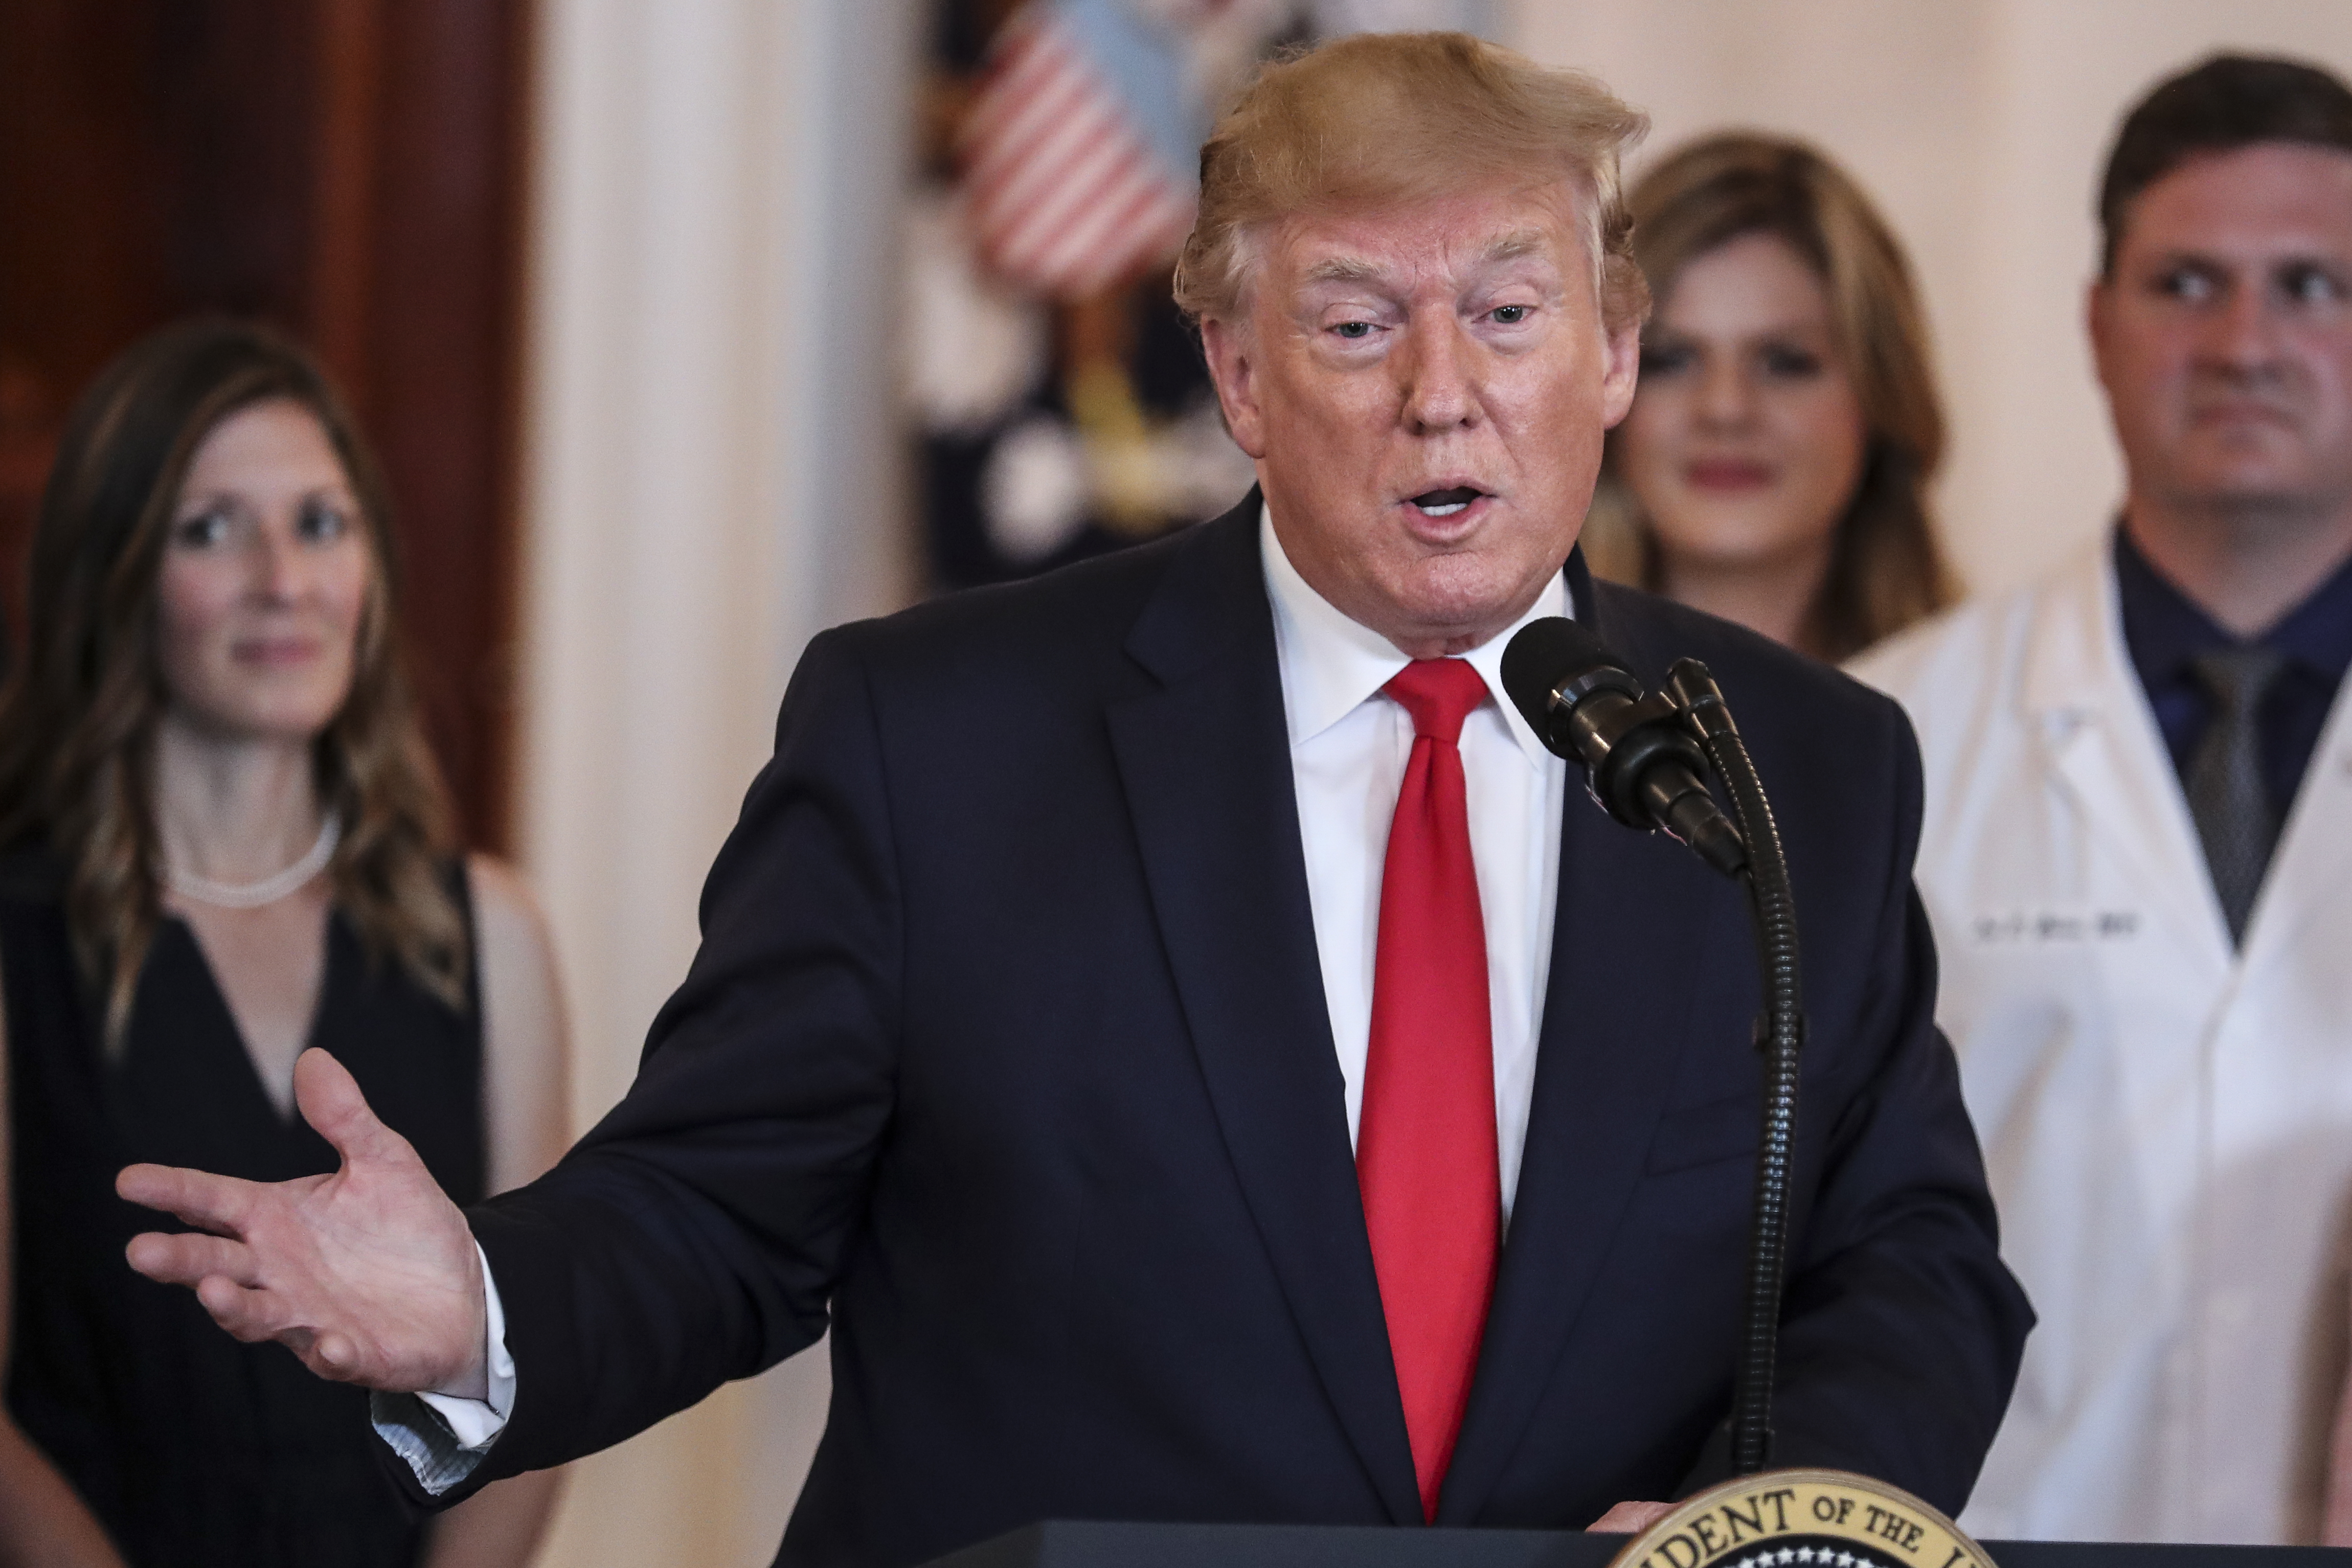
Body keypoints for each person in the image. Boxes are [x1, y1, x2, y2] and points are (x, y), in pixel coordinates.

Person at [120, 36, 2029, 1568]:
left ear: (1609, 350)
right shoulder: (934, 732)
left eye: (1511, 313)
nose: (1444, 392)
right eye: (1358, 322)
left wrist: (1782, 1526)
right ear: (1238, 371)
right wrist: (477, 1299)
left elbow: (1912, 1254)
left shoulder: (1793, 763)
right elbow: (718, 1207)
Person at [1853, 53, 2352, 1546]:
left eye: (2314, 284)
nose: (2247, 341)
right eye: (2186, 282)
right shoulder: (1885, 736)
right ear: (2095, 321)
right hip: (2000, 1539)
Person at [0, 320, 571, 1566]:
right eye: (213, 528)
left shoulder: (494, 934)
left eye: (320, 523)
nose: (283, 579)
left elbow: (529, 1370)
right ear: (119, 570)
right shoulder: (16, 943)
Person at [1586, 133, 1957, 662]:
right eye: (1671, 359)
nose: (1725, 409)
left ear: (1882, 394)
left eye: (1784, 362)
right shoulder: (1484, 711)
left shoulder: (1979, 709)